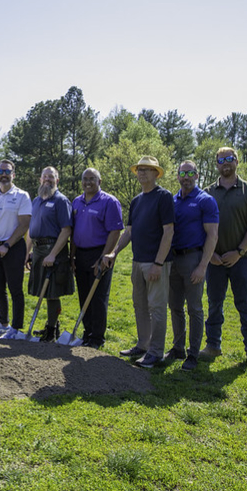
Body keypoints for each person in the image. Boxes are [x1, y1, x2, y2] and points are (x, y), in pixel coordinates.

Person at [106, 156, 174, 369]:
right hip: (138, 262)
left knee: (157, 307)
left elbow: (168, 231)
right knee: (140, 306)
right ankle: (143, 345)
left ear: (156, 173)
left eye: (147, 169)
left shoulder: (163, 197)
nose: (142, 173)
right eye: (140, 169)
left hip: (156, 263)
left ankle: (156, 353)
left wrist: (158, 263)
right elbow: (129, 232)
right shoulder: (136, 201)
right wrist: (114, 253)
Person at [203, 147, 247, 370]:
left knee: (245, 304)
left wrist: (238, 252)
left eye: (229, 159)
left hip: (243, 259)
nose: (225, 163)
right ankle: (212, 345)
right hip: (215, 261)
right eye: (221, 160)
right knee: (214, 303)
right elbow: (200, 227)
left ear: (237, 161)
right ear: (217, 164)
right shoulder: (207, 192)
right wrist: (211, 256)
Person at [167, 161, 219, 371]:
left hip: (193, 259)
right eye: (182, 173)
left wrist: (203, 266)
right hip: (173, 259)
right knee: (175, 306)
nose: (186, 177)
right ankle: (178, 347)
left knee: (195, 308)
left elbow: (212, 235)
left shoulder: (205, 201)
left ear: (197, 176)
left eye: (190, 173)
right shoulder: (172, 200)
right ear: (178, 176)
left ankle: (193, 353)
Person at [70, 168, 124, 349]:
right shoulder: (77, 202)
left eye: (92, 179)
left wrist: (103, 257)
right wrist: (72, 257)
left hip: (100, 254)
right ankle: (87, 332)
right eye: (85, 179)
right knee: (84, 295)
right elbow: (73, 231)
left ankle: (97, 337)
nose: (88, 182)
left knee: (98, 297)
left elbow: (115, 231)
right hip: (81, 254)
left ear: (99, 181)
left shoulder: (109, 202)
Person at [0, 160, 32, 339]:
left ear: (13, 175)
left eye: (8, 171)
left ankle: (16, 328)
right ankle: (3, 323)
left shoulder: (22, 196)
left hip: (13, 246)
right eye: (1, 171)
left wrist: (7, 245)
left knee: (15, 289)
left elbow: (24, 224)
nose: (4, 174)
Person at [26, 166, 74, 342]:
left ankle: (52, 330)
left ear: (57, 180)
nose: (47, 179)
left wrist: (53, 254)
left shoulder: (61, 201)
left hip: (53, 250)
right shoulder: (36, 201)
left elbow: (66, 230)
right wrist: (27, 251)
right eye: (44, 176)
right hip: (38, 250)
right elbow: (31, 230)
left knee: (52, 292)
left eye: (51, 177)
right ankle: (50, 325)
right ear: (40, 180)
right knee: (43, 291)